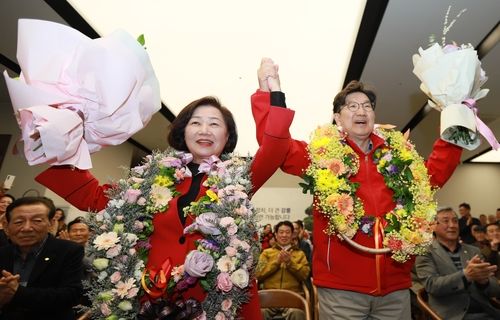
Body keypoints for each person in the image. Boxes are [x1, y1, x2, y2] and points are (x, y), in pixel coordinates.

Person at [34, 96, 294, 319]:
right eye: (196, 122)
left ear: (228, 137)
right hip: (150, 299)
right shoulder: (149, 178)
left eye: (214, 124)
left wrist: (271, 92)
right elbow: (96, 198)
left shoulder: (238, 179)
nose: (204, 129)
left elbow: (276, 146)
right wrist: (52, 143)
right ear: (183, 131)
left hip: (216, 300)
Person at [251, 58, 463, 319]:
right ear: (338, 118)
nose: (361, 111)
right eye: (352, 106)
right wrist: (269, 95)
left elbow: (432, 177)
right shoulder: (320, 157)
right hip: (341, 292)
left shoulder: (399, 156)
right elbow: (275, 146)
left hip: (395, 289)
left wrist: (457, 118)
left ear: (374, 115)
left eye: (367, 106)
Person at [0, 197, 84, 319]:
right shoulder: (3, 253)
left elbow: (72, 295)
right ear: (7, 226)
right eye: (18, 222)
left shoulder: (68, 250)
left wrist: (18, 292)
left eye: (37, 221)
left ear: (50, 223)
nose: (27, 228)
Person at [414, 207, 500, 319]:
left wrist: (484, 282)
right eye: (446, 221)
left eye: (455, 221)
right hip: (454, 315)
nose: (452, 225)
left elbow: (496, 290)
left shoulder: (473, 251)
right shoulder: (425, 253)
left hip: (486, 311)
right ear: (433, 226)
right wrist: (466, 275)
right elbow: (432, 285)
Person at [256, 220, 310, 320]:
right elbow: (258, 274)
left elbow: (305, 275)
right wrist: (276, 262)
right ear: (276, 235)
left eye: (287, 232)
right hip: (269, 300)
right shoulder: (266, 253)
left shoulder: (300, 254)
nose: (284, 235)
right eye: (281, 232)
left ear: (292, 234)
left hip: (292, 300)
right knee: (259, 313)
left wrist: (290, 263)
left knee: (297, 314)